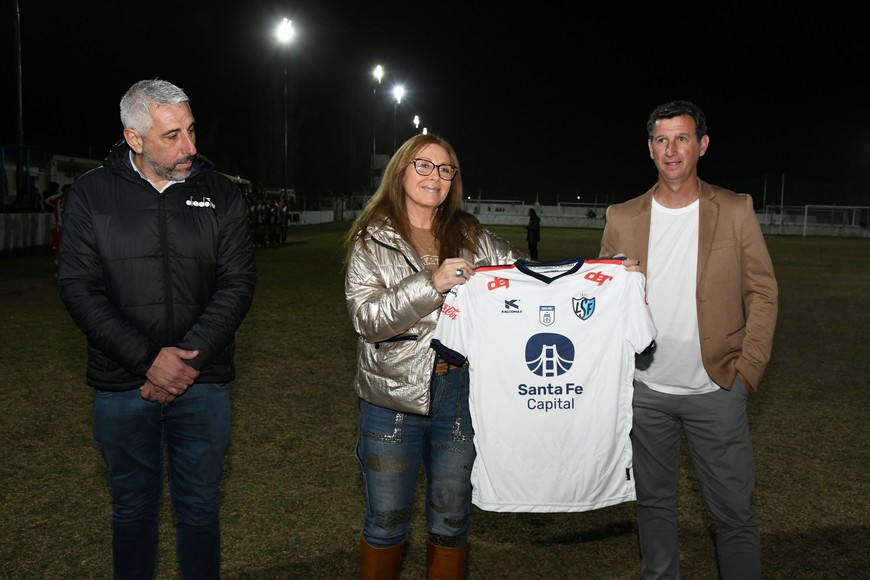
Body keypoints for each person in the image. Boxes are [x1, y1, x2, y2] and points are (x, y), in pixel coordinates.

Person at [57, 79, 257, 579]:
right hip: (124, 385)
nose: (190, 147)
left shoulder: (221, 192)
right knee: (131, 512)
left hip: (202, 383)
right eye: (172, 136)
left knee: (199, 512)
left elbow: (238, 283)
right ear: (134, 138)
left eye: (191, 130)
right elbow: (79, 289)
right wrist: (148, 360)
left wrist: (184, 361)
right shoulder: (91, 194)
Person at [599, 100, 778, 579]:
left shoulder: (735, 209)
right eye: (661, 140)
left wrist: (747, 371)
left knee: (734, 514)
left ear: (702, 145)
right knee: (654, 506)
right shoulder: (622, 216)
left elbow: (762, 291)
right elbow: (600, 304)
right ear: (650, 149)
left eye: (681, 138)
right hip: (647, 394)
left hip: (717, 389)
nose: (671, 149)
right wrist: (618, 282)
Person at [343, 133, 527, 580]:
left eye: (446, 169)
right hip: (392, 401)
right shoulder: (373, 237)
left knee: (452, 522)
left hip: (461, 393)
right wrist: (433, 282)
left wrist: (609, 272)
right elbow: (368, 319)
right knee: (386, 523)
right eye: (424, 166)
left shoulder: (470, 234)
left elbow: (524, 276)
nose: (435, 176)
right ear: (401, 171)